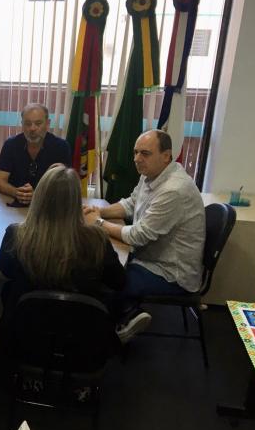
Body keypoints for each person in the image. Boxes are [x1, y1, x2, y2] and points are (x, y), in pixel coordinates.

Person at [83, 129, 206, 341]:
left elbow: (138, 236)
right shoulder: (151, 174)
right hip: (151, 258)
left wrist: (98, 223)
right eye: (135, 152)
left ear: (166, 156)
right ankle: (128, 312)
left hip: (171, 274)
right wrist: (99, 211)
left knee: (108, 278)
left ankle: (114, 329)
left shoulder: (174, 190)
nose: (137, 159)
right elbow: (131, 204)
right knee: (106, 267)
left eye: (145, 153)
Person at [0, 165, 135, 341]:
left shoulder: (16, 235)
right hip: (83, 341)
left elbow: (6, 270)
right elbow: (118, 281)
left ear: (39, 197)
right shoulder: (96, 240)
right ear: (77, 202)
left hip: (26, 338)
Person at [0, 103, 71, 205]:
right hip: (14, 204)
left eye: (38, 123)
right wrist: (17, 193)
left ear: (47, 124)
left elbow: (65, 186)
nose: (32, 128)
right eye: (28, 123)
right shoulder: (11, 144)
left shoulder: (61, 147)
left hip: (47, 205)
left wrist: (36, 196)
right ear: (22, 124)